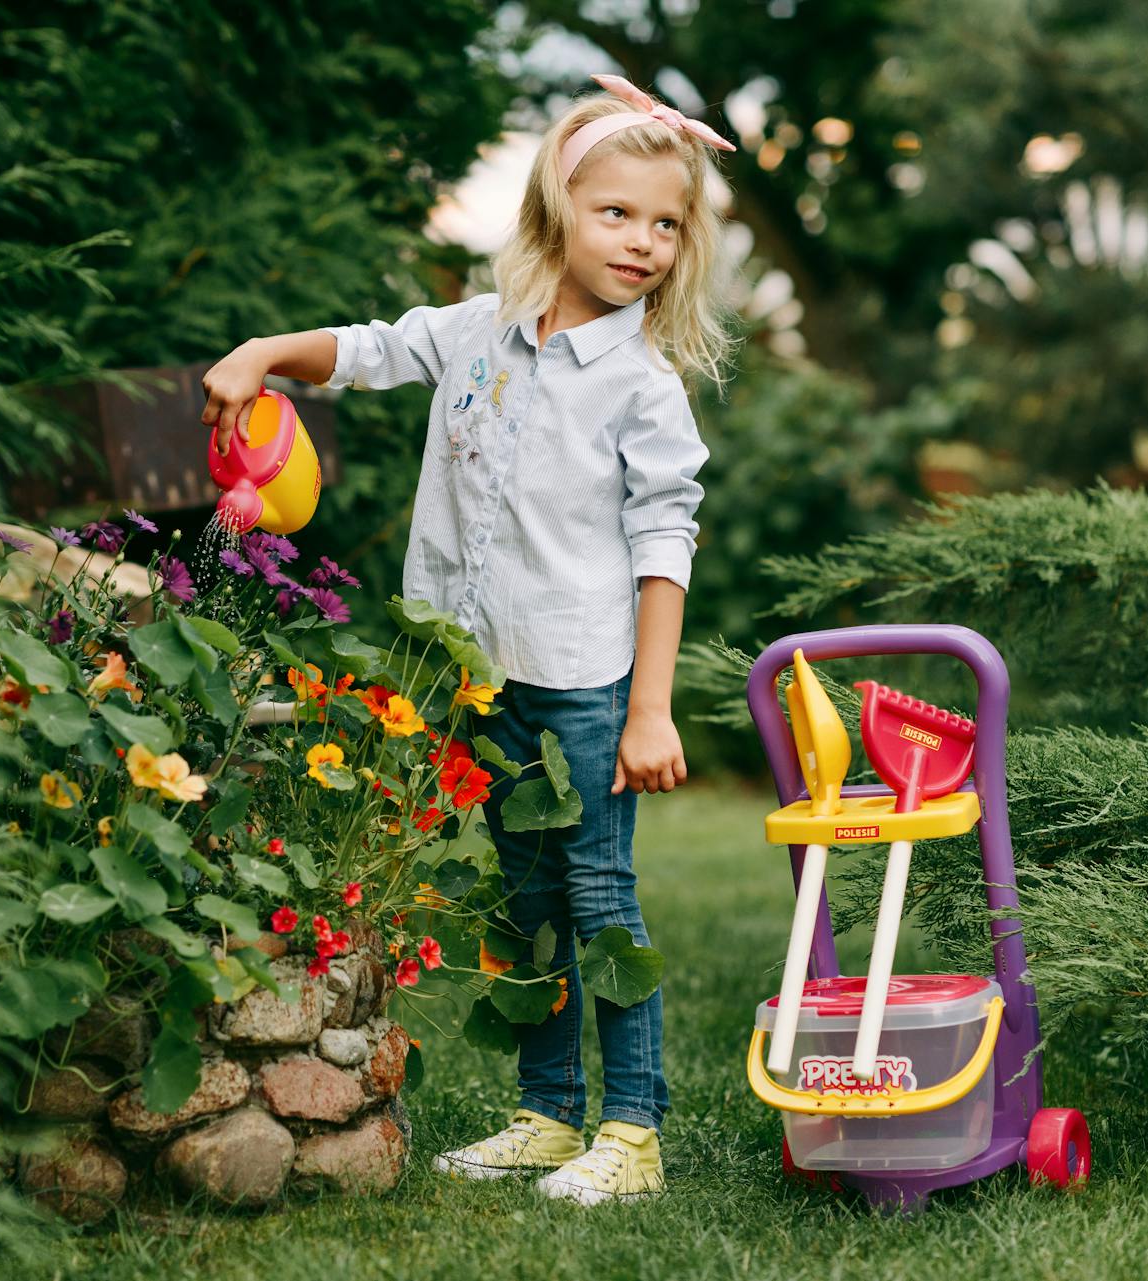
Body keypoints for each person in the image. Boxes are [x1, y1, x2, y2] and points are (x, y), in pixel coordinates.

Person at [199, 74, 736, 1204]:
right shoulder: (474, 334)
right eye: (615, 212)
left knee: (600, 901)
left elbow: (662, 546)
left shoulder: (640, 388)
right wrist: (260, 352)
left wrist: (648, 707)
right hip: (479, 679)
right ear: (555, 207)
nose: (640, 240)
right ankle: (546, 1114)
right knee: (522, 902)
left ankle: (630, 1132)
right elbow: (362, 351)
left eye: (665, 222)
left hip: (584, 684)